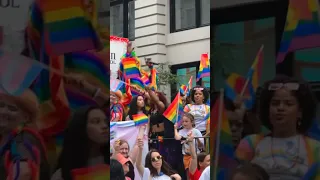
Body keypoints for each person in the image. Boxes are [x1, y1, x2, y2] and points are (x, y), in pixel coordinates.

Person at [236, 76, 320, 179]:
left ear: (300, 112)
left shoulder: (315, 148)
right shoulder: (250, 143)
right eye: (275, 103)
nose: (280, 108)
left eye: (288, 104)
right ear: (268, 109)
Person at [0, 89, 50, 180]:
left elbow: (23, 172)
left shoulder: (24, 137)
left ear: (26, 117)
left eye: (12, 108)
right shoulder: (5, 135)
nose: (3, 111)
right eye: (1, 105)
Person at [51, 106, 109, 180]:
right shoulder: (62, 175)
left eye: (106, 121)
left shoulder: (116, 164)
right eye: (96, 121)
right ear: (81, 128)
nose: (104, 126)